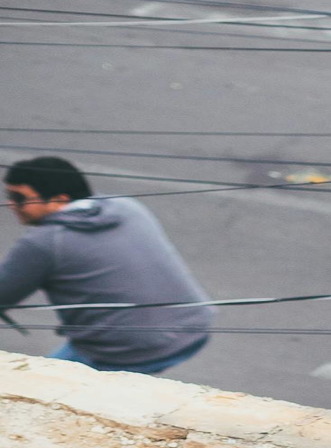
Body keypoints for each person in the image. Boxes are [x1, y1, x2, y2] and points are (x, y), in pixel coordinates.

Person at [1, 154, 216, 376]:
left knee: (35, 385)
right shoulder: (125, 206)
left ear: (59, 199)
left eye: (19, 198)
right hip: (194, 328)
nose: (11, 204)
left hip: (130, 353)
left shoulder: (45, 242)